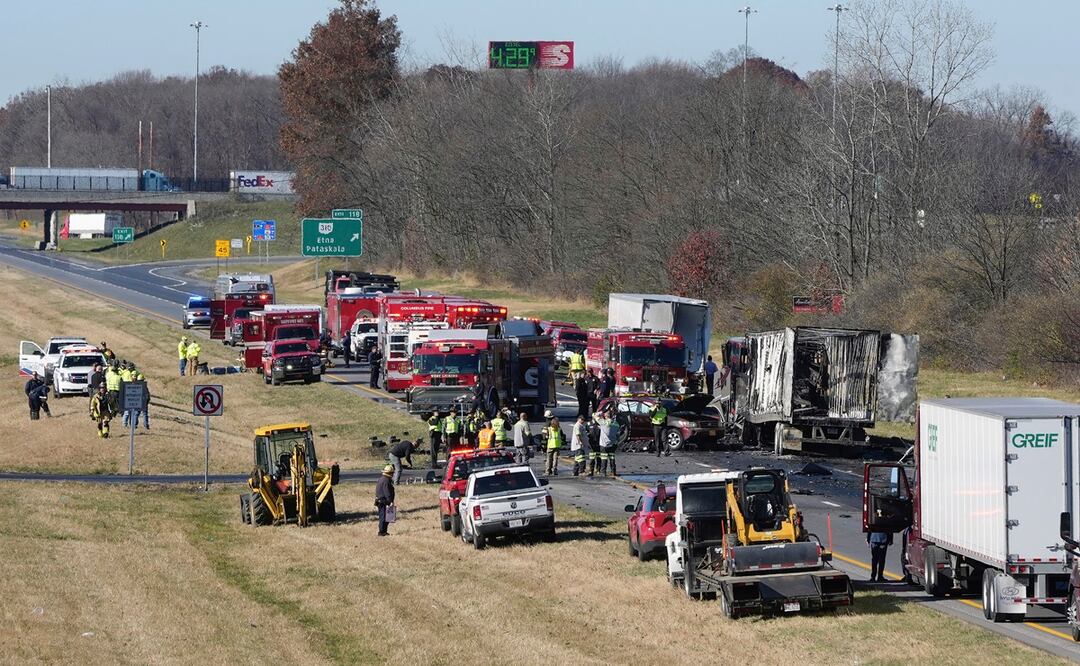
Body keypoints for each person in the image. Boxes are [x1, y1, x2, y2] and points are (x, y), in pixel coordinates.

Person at [595, 407, 618, 476]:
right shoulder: (616, 423)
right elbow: (618, 433)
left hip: (604, 444)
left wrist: (601, 412)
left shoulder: (603, 422)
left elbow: (595, 415)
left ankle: (603, 472)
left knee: (604, 459)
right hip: (612, 443)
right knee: (612, 458)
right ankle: (613, 471)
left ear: (605, 415)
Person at [375, 464, 395, 536]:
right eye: (392, 473)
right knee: (384, 517)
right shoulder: (386, 481)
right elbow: (387, 492)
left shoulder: (381, 479)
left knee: (385, 517)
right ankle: (382, 532)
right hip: (384, 501)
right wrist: (390, 502)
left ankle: (384, 531)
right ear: (390, 473)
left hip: (380, 501)